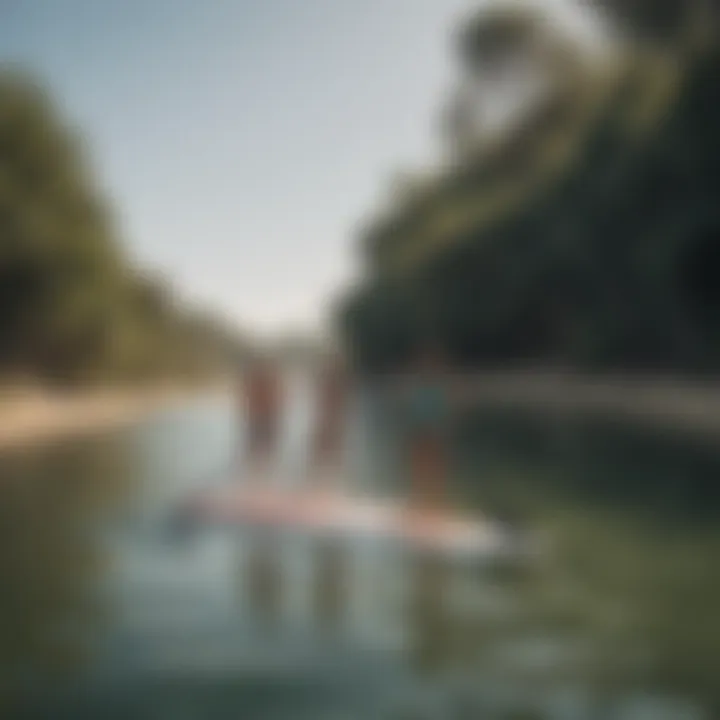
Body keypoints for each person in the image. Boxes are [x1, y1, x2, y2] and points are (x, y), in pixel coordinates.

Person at [402, 347, 452, 527]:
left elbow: (441, 410)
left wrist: (441, 429)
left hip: (431, 429)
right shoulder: (421, 386)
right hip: (421, 428)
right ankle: (417, 503)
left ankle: (435, 505)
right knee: (419, 465)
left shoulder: (436, 386)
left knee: (433, 466)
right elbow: (414, 410)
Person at [241, 354, 283, 476]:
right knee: (260, 449)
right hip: (261, 418)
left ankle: (259, 472)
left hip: (263, 418)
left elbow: (277, 400)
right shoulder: (264, 380)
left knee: (261, 449)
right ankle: (258, 472)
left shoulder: (268, 380)